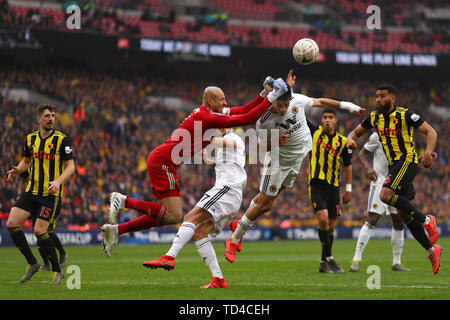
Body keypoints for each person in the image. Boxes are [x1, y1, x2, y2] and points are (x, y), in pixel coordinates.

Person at [101, 78, 289, 257]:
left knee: (169, 216)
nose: (225, 103)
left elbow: (242, 109)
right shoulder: (208, 118)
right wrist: (272, 97)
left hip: (164, 161)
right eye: (222, 100)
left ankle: (117, 230)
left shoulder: (205, 112)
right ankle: (124, 201)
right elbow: (246, 117)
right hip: (163, 161)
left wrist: (264, 93)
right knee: (173, 215)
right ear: (210, 100)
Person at [224, 70, 364, 265]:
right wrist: (274, 141)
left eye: (286, 105)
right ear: (272, 101)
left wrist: (348, 106)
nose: (283, 109)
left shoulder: (296, 99)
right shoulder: (264, 120)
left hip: (296, 161)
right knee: (266, 204)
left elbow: (321, 102)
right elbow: (259, 145)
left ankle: (239, 223)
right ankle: (234, 239)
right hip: (277, 162)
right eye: (279, 105)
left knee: (264, 199)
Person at [346, 83, 441, 274]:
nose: (379, 99)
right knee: (404, 216)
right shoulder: (374, 118)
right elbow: (354, 133)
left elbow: (431, 132)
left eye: (383, 96)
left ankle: (427, 220)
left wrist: (429, 152)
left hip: (406, 161)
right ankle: (432, 250)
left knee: (385, 195)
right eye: (377, 96)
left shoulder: (405, 115)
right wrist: (350, 139)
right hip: (394, 169)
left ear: (393, 98)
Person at [142, 128, 246, 288]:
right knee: (199, 233)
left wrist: (203, 139)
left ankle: (169, 257)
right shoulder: (225, 149)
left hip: (227, 190)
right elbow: (216, 164)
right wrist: (206, 157)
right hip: (231, 195)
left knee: (190, 218)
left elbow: (228, 142)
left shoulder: (233, 138)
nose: (218, 129)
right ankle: (218, 278)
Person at [6, 104, 75, 284]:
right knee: (12, 224)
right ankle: (33, 263)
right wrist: (17, 170)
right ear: (39, 119)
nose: (51, 119)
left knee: (39, 230)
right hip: (31, 191)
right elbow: (27, 161)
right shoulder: (30, 139)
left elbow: (71, 166)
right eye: (47, 116)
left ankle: (57, 271)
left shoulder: (62, 140)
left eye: (53, 115)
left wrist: (58, 181)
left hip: (50, 194)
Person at [350, 132, 409, 272]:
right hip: (380, 183)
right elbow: (362, 153)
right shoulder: (377, 135)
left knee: (399, 222)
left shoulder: (404, 136)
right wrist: (368, 168)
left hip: (396, 185)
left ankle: (396, 262)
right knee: (372, 219)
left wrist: (423, 158)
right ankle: (356, 259)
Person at [306, 109, 354, 274]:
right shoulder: (314, 132)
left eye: (330, 118)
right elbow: (299, 117)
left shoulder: (343, 141)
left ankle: (323, 262)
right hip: (316, 185)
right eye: (324, 117)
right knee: (323, 219)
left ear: (335, 121)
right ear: (321, 120)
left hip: (334, 188)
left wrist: (348, 189)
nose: (327, 120)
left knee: (332, 225)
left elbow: (348, 166)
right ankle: (329, 258)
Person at [18, 171, 68, 271]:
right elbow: (23, 179)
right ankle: (46, 263)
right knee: (38, 232)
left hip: (50, 199)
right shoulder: (30, 162)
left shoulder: (51, 165)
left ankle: (62, 253)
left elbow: (67, 173)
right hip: (33, 199)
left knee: (46, 230)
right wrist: (20, 194)